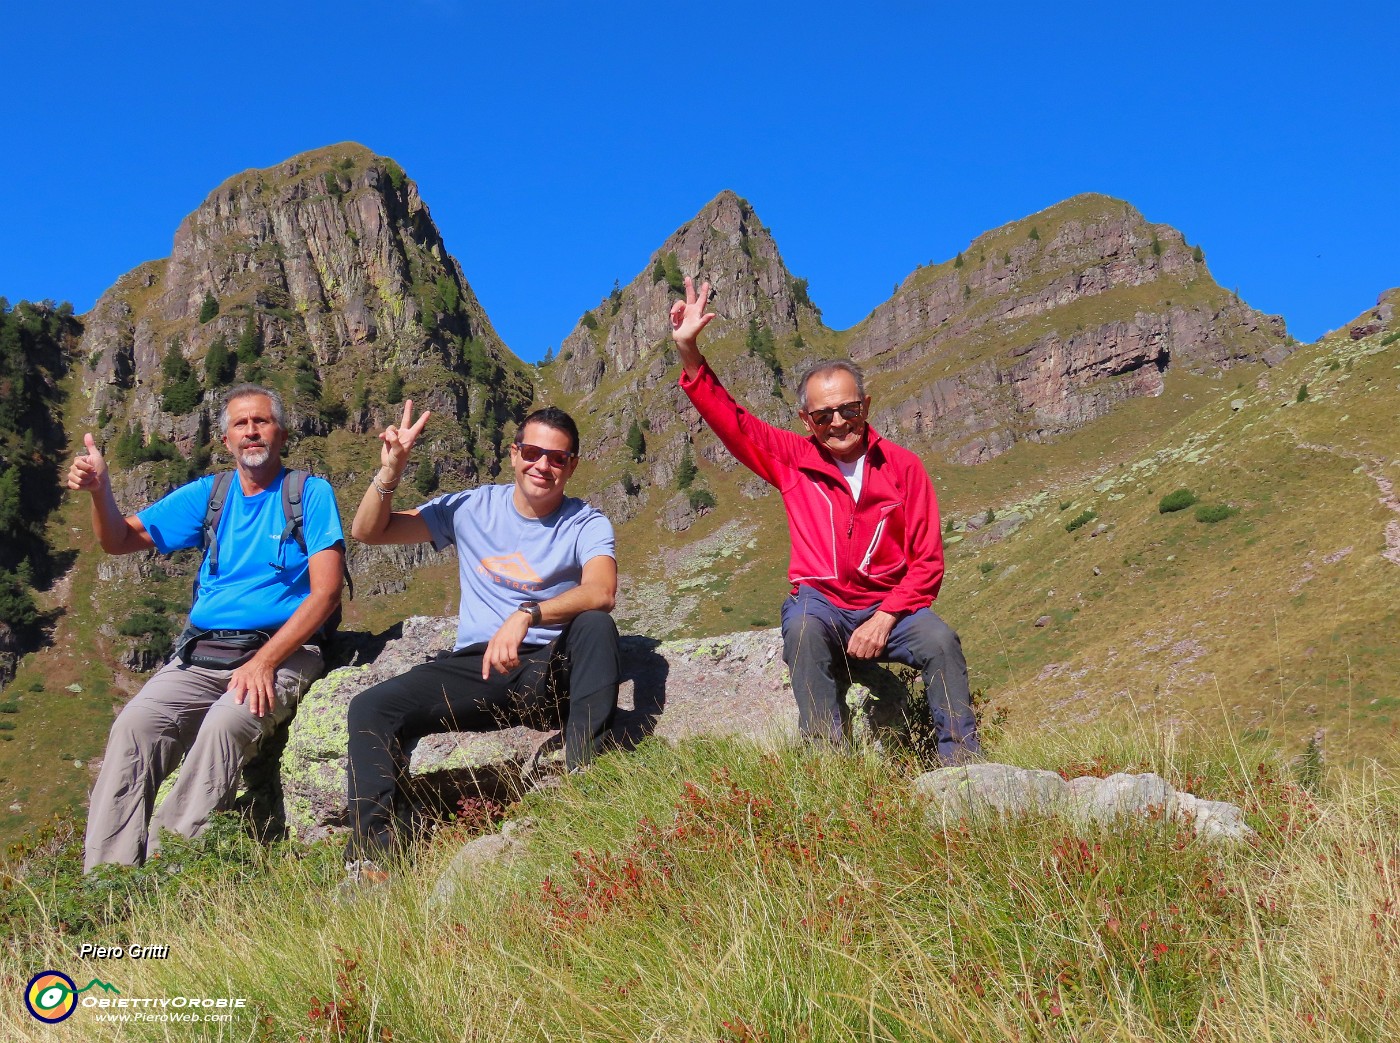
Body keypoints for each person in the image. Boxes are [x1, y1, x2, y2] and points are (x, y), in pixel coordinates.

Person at [669, 276, 981, 764]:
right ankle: (828, 767)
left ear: (866, 406)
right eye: (823, 416)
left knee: (941, 641)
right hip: (821, 602)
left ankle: (962, 766)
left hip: (889, 607)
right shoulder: (792, 459)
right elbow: (732, 420)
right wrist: (689, 351)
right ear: (805, 420)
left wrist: (884, 618)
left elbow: (927, 564)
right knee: (803, 630)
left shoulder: (904, 467)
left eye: (848, 409)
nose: (837, 423)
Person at [72, 384, 345, 870]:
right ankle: (106, 881)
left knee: (224, 725)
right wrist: (100, 492)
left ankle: (166, 870)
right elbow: (118, 540)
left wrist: (265, 662)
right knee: (133, 727)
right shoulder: (210, 495)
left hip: (281, 651)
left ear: (280, 433)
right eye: (240, 424)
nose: (251, 431)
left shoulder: (309, 493)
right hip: (203, 652)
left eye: (261, 421)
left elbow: (325, 593)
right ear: (226, 441)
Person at [343, 402, 619, 877]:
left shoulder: (586, 523)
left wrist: (527, 615)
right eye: (533, 452)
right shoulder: (471, 507)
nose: (543, 466)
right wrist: (390, 471)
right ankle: (376, 855)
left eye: (558, 458)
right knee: (370, 708)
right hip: (478, 669)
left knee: (596, 624)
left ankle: (583, 779)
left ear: (572, 466)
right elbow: (369, 531)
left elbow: (602, 591)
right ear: (514, 454)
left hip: (547, 670)